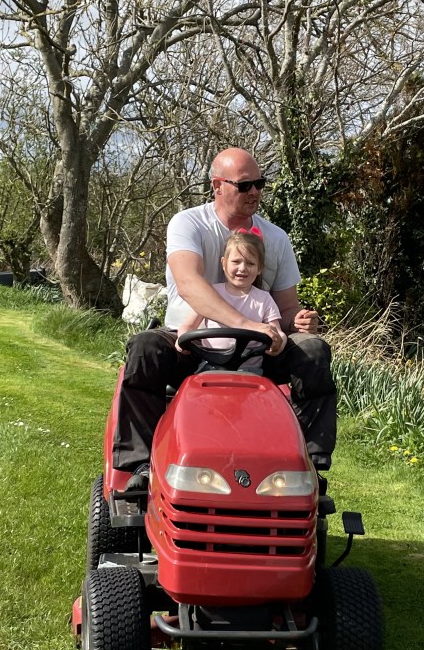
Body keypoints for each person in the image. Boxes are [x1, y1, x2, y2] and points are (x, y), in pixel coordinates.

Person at [113, 147, 336, 490]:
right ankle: (140, 467)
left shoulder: (276, 238)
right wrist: (245, 324)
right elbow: (190, 285)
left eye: (260, 183)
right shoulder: (188, 224)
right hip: (189, 344)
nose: (255, 192)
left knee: (313, 350)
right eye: (245, 185)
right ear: (218, 185)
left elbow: (286, 309)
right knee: (145, 348)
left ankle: (308, 467)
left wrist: (300, 322)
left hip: (257, 353)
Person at [174, 227, 287, 370]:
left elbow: (277, 331)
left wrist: (279, 342)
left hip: (249, 370)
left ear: (259, 268)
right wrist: (182, 337)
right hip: (210, 366)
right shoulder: (211, 294)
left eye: (250, 263)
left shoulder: (264, 299)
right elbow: (189, 325)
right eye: (236, 262)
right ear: (224, 263)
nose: (242, 268)